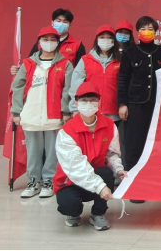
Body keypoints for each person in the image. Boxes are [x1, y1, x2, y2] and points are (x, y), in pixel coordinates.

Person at [10, 26, 73, 199]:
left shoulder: (65, 63)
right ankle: (33, 181)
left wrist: (65, 111)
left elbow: (68, 89)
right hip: (30, 113)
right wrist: (16, 112)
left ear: (58, 42)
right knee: (33, 151)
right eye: (45, 39)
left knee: (52, 151)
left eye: (53, 39)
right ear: (39, 42)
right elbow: (17, 88)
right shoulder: (28, 63)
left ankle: (48, 181)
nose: (49, 42)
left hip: (54, 115)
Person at [55, 82, 127, 230]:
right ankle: (73, 213)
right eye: (83, 100)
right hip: (70, 182)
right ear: (76, 103)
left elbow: (111, 153)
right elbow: (76, 166)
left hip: (96, 177)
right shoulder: (66, 132)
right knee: (69, 205)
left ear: (99, 103)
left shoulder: (109, 125)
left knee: (106, 172)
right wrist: (100, 187)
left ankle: (98, 214)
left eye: (93, 100)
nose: (88, 104)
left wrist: (118, 169)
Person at [117, 16, 161, 203]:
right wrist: (122, 104)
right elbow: (123, 79)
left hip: (158, 105)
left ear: (156, 32)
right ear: (138, 31)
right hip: (135, 105)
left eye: (150, 28)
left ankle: (156, 183)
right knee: (134, 145)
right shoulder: (130, 52)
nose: (147, 31)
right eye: (143, 28)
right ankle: (134, 187)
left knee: (156, 145)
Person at [69, 25, 121, 123]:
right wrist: (75, 109)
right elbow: (75, 87)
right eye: (102, 37)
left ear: (114, 40)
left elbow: (123, 86)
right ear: (97, 39)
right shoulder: (86, 60)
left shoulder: (120, 61)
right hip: (90, 111)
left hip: (114, 114)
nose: (106, 40)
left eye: (109, 38)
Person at [10, 8, 85, 75]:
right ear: (52, 22)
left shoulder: (77, 45)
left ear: (70, 25)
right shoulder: (41, 43)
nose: (61, 24)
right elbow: (30, 64)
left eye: (65, 22)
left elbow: (80, 71)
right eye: (58, 21)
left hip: (65, 83)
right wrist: (19, 70)